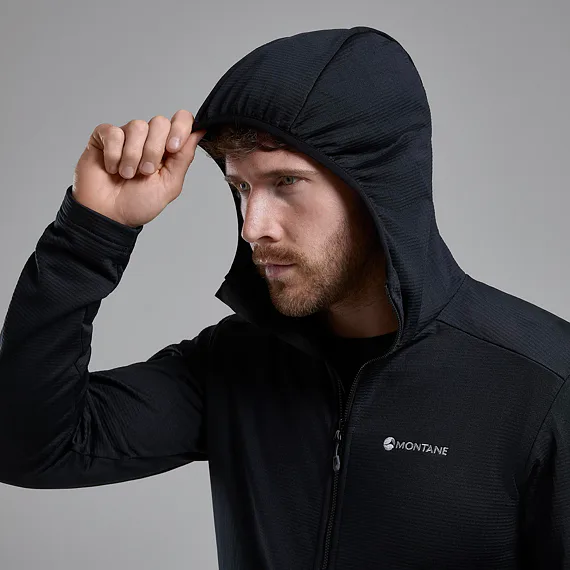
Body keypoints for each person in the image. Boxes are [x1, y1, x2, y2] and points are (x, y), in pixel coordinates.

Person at [0, 25, 568, 569]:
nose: (253, 226)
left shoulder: (543, 382)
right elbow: (27, 447)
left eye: (286, 182)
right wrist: (90, 233)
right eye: (241, 187)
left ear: (379, 186)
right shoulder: (235, 363)